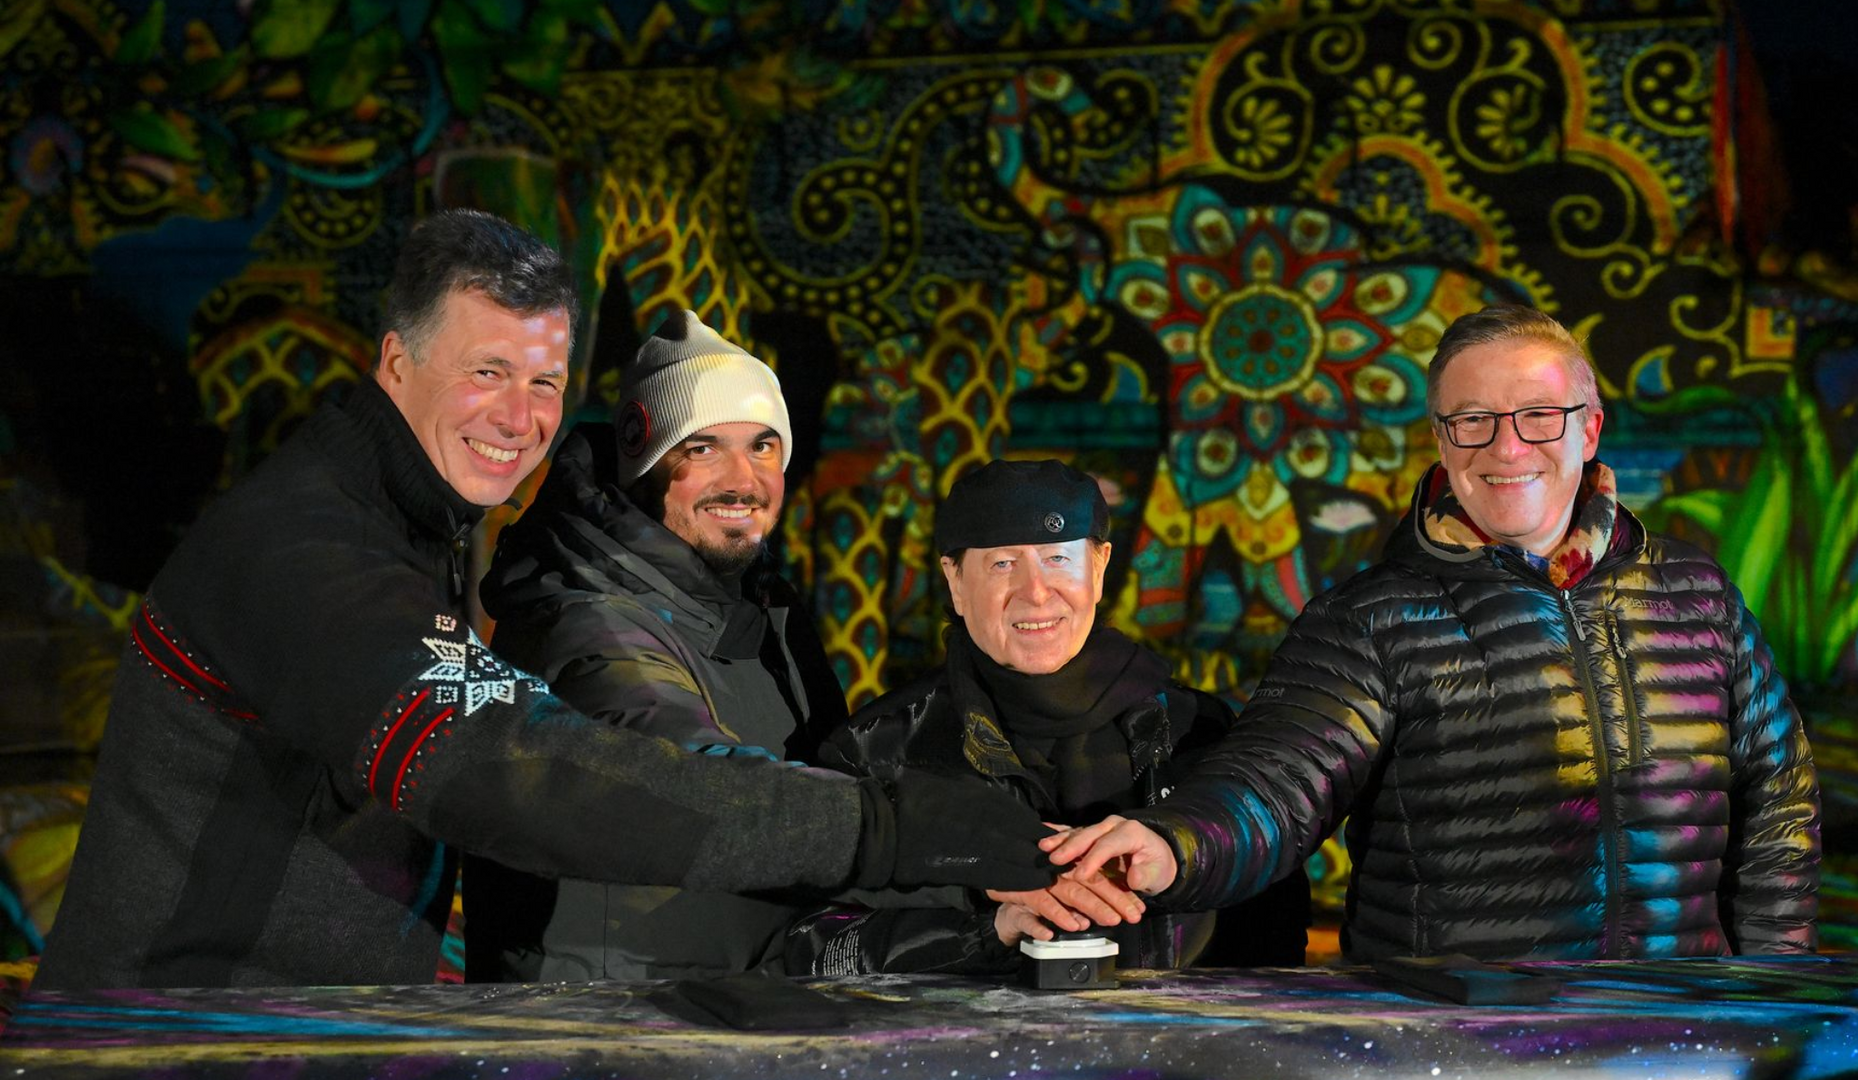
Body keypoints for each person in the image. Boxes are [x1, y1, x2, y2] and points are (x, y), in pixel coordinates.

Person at [32, 210, 1055, 991]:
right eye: (487, 371)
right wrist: (888, 829)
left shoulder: (409, 523)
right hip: (179, 1029)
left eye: (546, 382)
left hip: (288, 1024)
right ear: (397, 363)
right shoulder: (306, 551)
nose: (518, 417)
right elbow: (513, 769)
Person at [1044, 304, 1821, 962]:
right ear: (1444, 441)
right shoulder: (1373, 619)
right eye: (1474, 420)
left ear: (1589, 429)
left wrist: (1769, 983)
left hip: (1676, 1027)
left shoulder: (1696, 593)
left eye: (1538, 415)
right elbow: (1278, 786)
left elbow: (1779, 797)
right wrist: (1173, 847)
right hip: (1461, 1037)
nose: (1507, 448)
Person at [785, 459, 1311, 976]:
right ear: (955, 581)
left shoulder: (1198, 734)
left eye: (1058, 558)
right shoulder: (877, 750)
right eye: (1002, 564)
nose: (1035, 591)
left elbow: (1274, 939)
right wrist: (986, 933)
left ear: (1099, 568)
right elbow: (811, 947)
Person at [461, 310, 851, 981]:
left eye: (763, 447)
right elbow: (693, 777)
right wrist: (912, 832)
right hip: (602, 1015)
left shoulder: (763, 607)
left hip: (724, 998)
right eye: (702, 449)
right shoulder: (585, 616)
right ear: (643, 460)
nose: (743, 479)